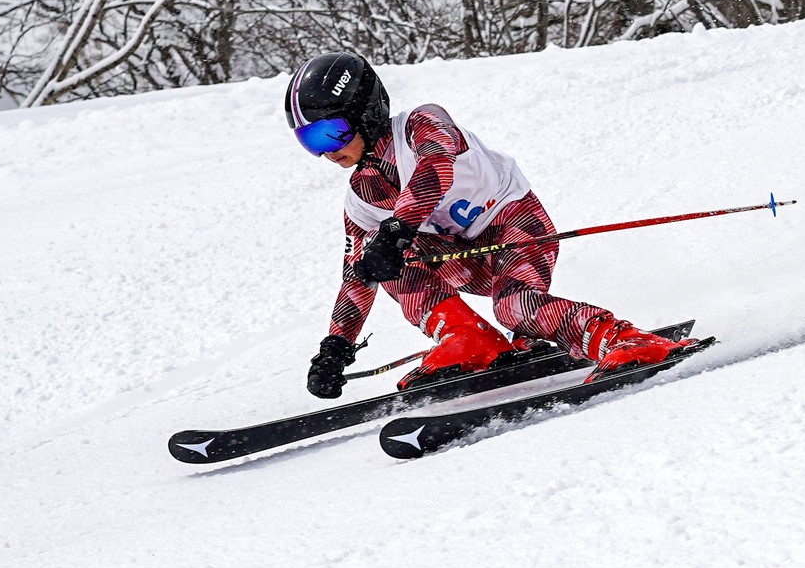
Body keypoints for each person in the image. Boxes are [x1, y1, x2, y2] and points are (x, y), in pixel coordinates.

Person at [285, 51, 694, 399]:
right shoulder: (361, 196)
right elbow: (357, 275)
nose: (327, 153)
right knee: (376, 260)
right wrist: (336, 346)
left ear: (366, 112)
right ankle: (467, 338)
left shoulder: (421, 124)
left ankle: (627, 341)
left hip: (516, 227)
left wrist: (396, 229)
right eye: (311, 143)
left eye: (330, 134)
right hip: (466, 257)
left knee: (514, 307)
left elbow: (435, 169)